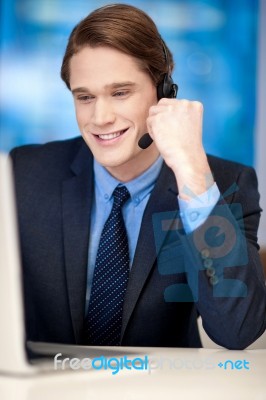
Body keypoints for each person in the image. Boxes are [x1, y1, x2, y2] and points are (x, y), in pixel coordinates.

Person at [10, 4, 266, 349]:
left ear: (163, 92)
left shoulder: (225, 184)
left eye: (120, 93)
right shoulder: (23, 174)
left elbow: (239, 330)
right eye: (85, 97)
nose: (100, 117)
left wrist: (191, 169)